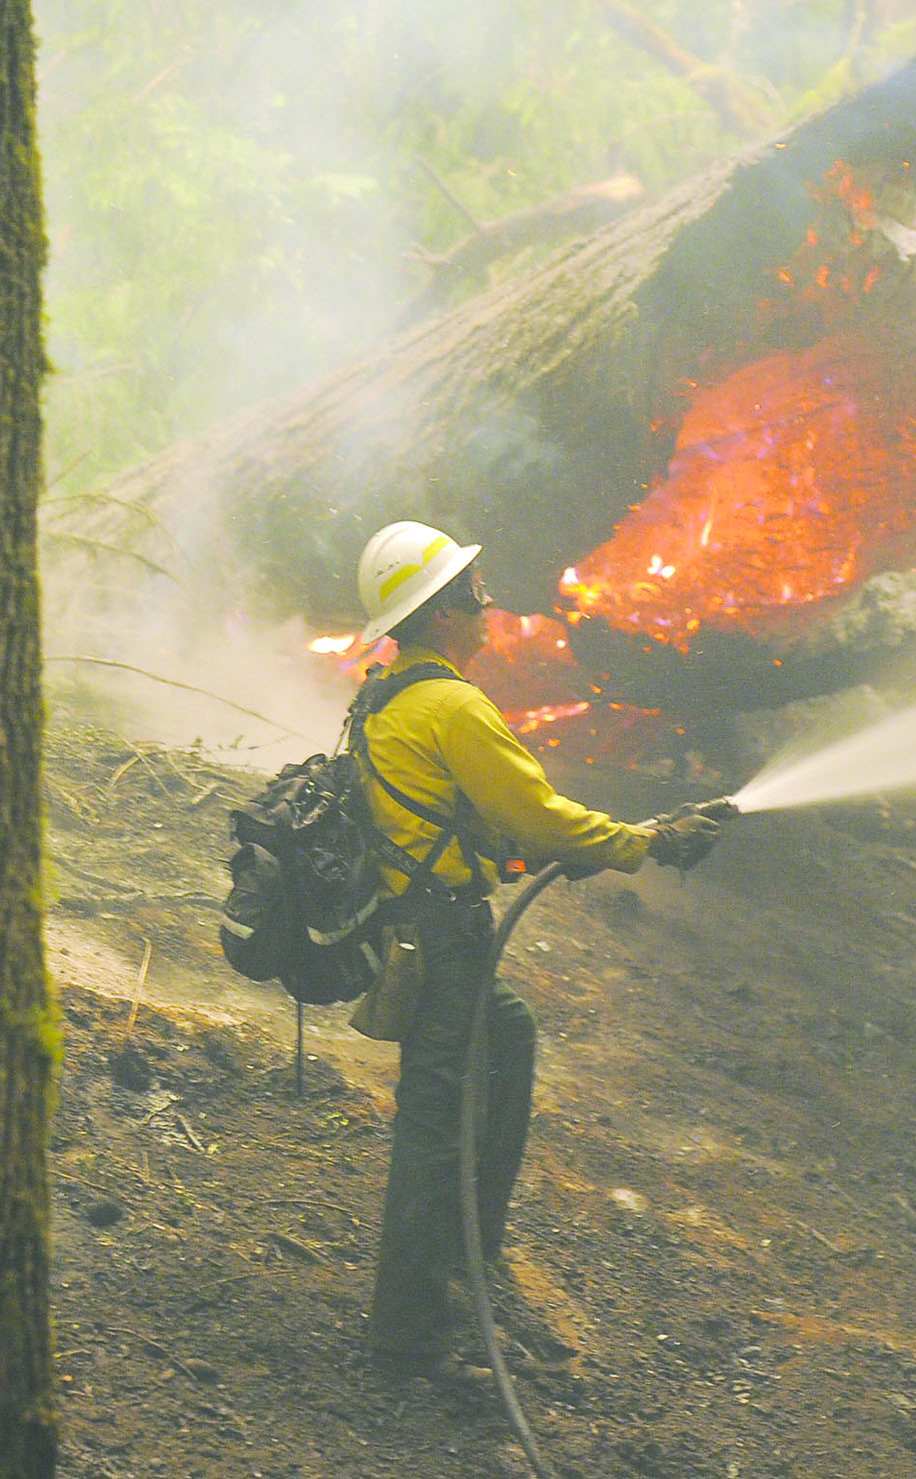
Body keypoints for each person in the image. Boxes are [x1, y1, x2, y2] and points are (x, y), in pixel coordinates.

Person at [349, 520, 721, 1383]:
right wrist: (647, 839)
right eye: (472, 596)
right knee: (433, 1127)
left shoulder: (386, 697)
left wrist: (542, 853)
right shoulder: (453, 706)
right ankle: (409, 1335)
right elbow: (536, 811)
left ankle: (469, 1257)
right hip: (441, 942)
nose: (486, 608)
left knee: (506, 1036)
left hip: (421, 928)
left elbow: (443, 822)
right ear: (442, 615)